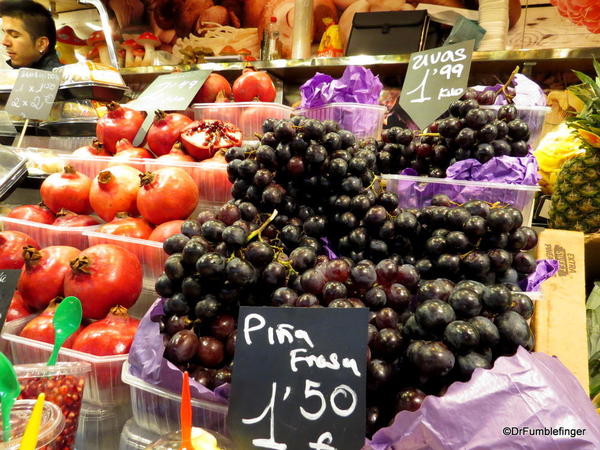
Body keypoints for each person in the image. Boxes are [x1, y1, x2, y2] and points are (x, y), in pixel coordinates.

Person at [0, 0, 61, 70]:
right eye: (4, 33)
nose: (4, 42)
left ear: (41, 44)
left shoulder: (58, 79)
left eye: (14, 35)